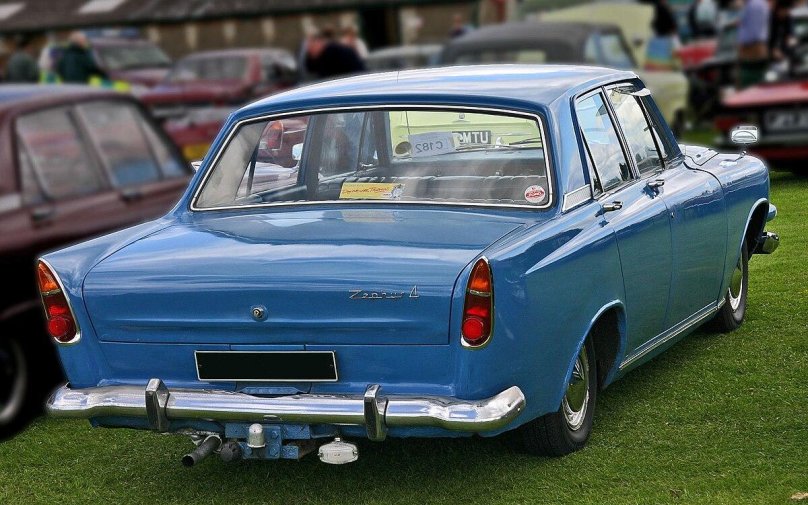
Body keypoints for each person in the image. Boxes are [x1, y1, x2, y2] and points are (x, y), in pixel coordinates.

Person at [737, 0, 771, 87]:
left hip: (752, 56)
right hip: (753, 56)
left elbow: (753, 34)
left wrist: (742, 47)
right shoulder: (753, 5)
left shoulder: (755, 5)